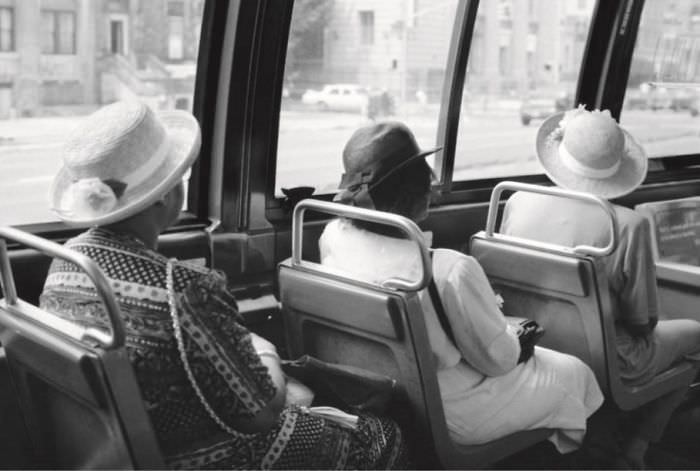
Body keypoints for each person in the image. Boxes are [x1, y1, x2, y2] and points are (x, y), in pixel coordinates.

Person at [39, 101, 408, 469]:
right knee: (382, 435)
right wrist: (263, 351)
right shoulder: (184, 290)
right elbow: (260, 411)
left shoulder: (65, 264)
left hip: (129, 449)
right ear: (165, 195)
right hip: (211, 457)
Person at [319, 121, 604, 454]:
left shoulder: (333, 236)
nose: (434, 184)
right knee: (575, 371)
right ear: (412, 190)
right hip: (450, 409)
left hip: (376, 391)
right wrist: (509, 332)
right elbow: (498, 361)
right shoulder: (446, 269)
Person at [500, 106, 700, 468]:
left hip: (532, 343)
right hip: (609, 358)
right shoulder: (627, 226)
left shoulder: (515, 201)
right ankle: (636, 448)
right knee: (696, 333)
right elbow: (643, 324)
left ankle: (604, 433)